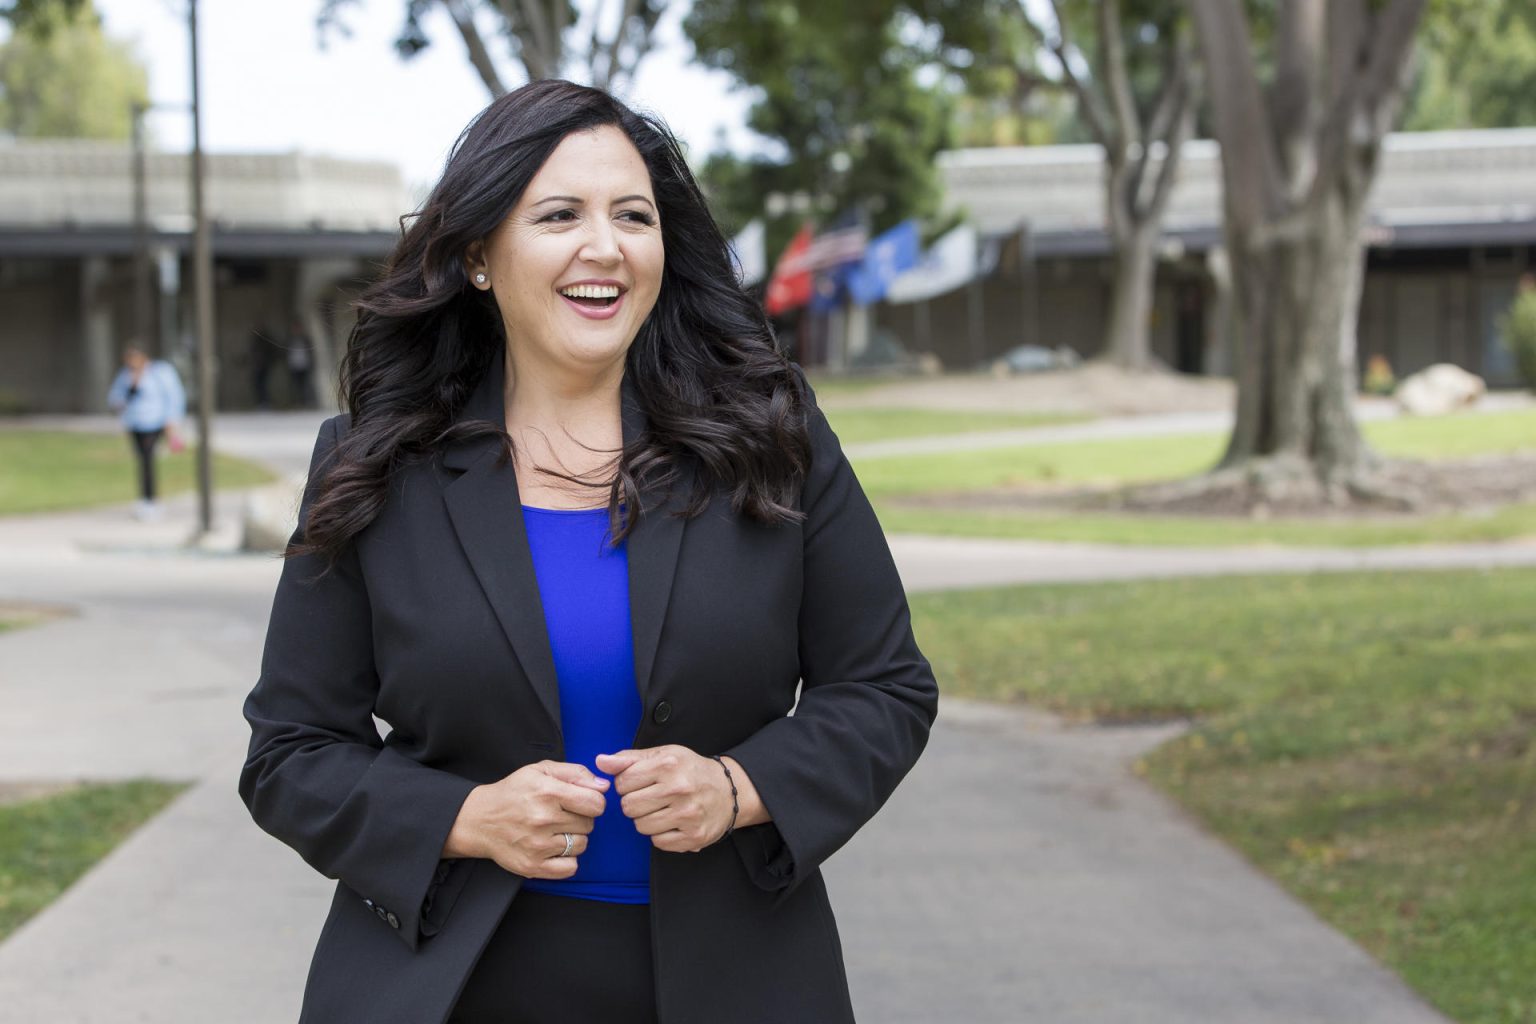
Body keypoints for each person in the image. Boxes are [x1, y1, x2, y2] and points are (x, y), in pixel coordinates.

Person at [239, 80, 937, 1024]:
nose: (603, 246)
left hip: (734, 982)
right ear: (481, 255)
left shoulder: (774, 435)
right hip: (451, 983)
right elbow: (291, 751)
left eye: (633, 216)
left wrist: (740, 788)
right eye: (559, 214)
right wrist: (462, 818)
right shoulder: (375, 463)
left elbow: (885, 686)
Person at [105, 344, 185, 520]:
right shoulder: (125, 376)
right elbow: (114, 398)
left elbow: (173, 397)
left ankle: (151, 500)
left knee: (148, 460)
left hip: (154, 422)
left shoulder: (160, 373)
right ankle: (145, 499)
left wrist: (172, 422)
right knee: (143, 460)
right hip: (135, 423)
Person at [285, 318, 314, 408]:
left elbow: (310, 352)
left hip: (304, 365)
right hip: (294, 365)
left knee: (305, 384)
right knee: (295, 385)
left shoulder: (305, 339)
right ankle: (297, 402)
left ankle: (306, 401)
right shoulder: (289, 339)